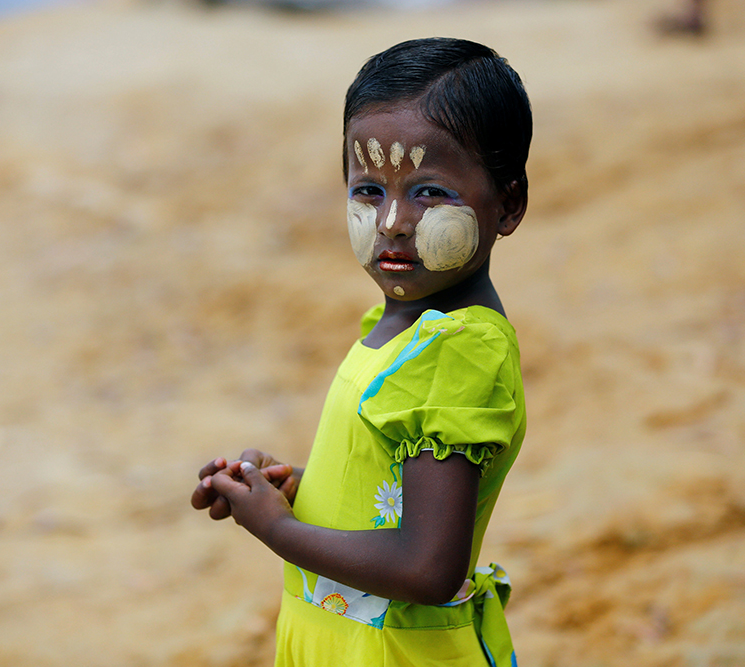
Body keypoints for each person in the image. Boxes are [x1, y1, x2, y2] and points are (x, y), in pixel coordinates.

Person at [191, 37, 530, 667]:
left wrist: (278, 529)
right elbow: (388, 482)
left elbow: (428, 565)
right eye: (369, 189)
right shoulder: (398, 324)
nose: (392, 220)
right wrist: (295, 490)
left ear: (507, 204)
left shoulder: (457, 351)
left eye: (429, 192)